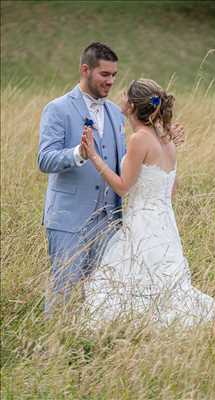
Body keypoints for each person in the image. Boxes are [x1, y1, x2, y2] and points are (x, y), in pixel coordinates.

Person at [81, 78, 215, 328]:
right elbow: (170, 189)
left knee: (136, 281)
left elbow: (123, 187)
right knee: (162, 284)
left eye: (124, 93)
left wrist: (93, 156)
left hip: (142, 225)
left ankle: (138, 329)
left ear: (132, 106)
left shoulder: (139, 140)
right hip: (164, 224)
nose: (119, 95)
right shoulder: (166, 142)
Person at [38, 43, 184, 315]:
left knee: (101, 297)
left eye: (114, 75)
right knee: (63, 291)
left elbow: (133, 162)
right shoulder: (57, 109)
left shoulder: (117, 114)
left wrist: (164, 138)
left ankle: (86, 350)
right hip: (69, 220)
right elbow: (44, 159)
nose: (111, 81)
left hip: (110, 224)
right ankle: (52, 349)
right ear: (85, 69)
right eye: (105, 74)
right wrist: (78, 153)